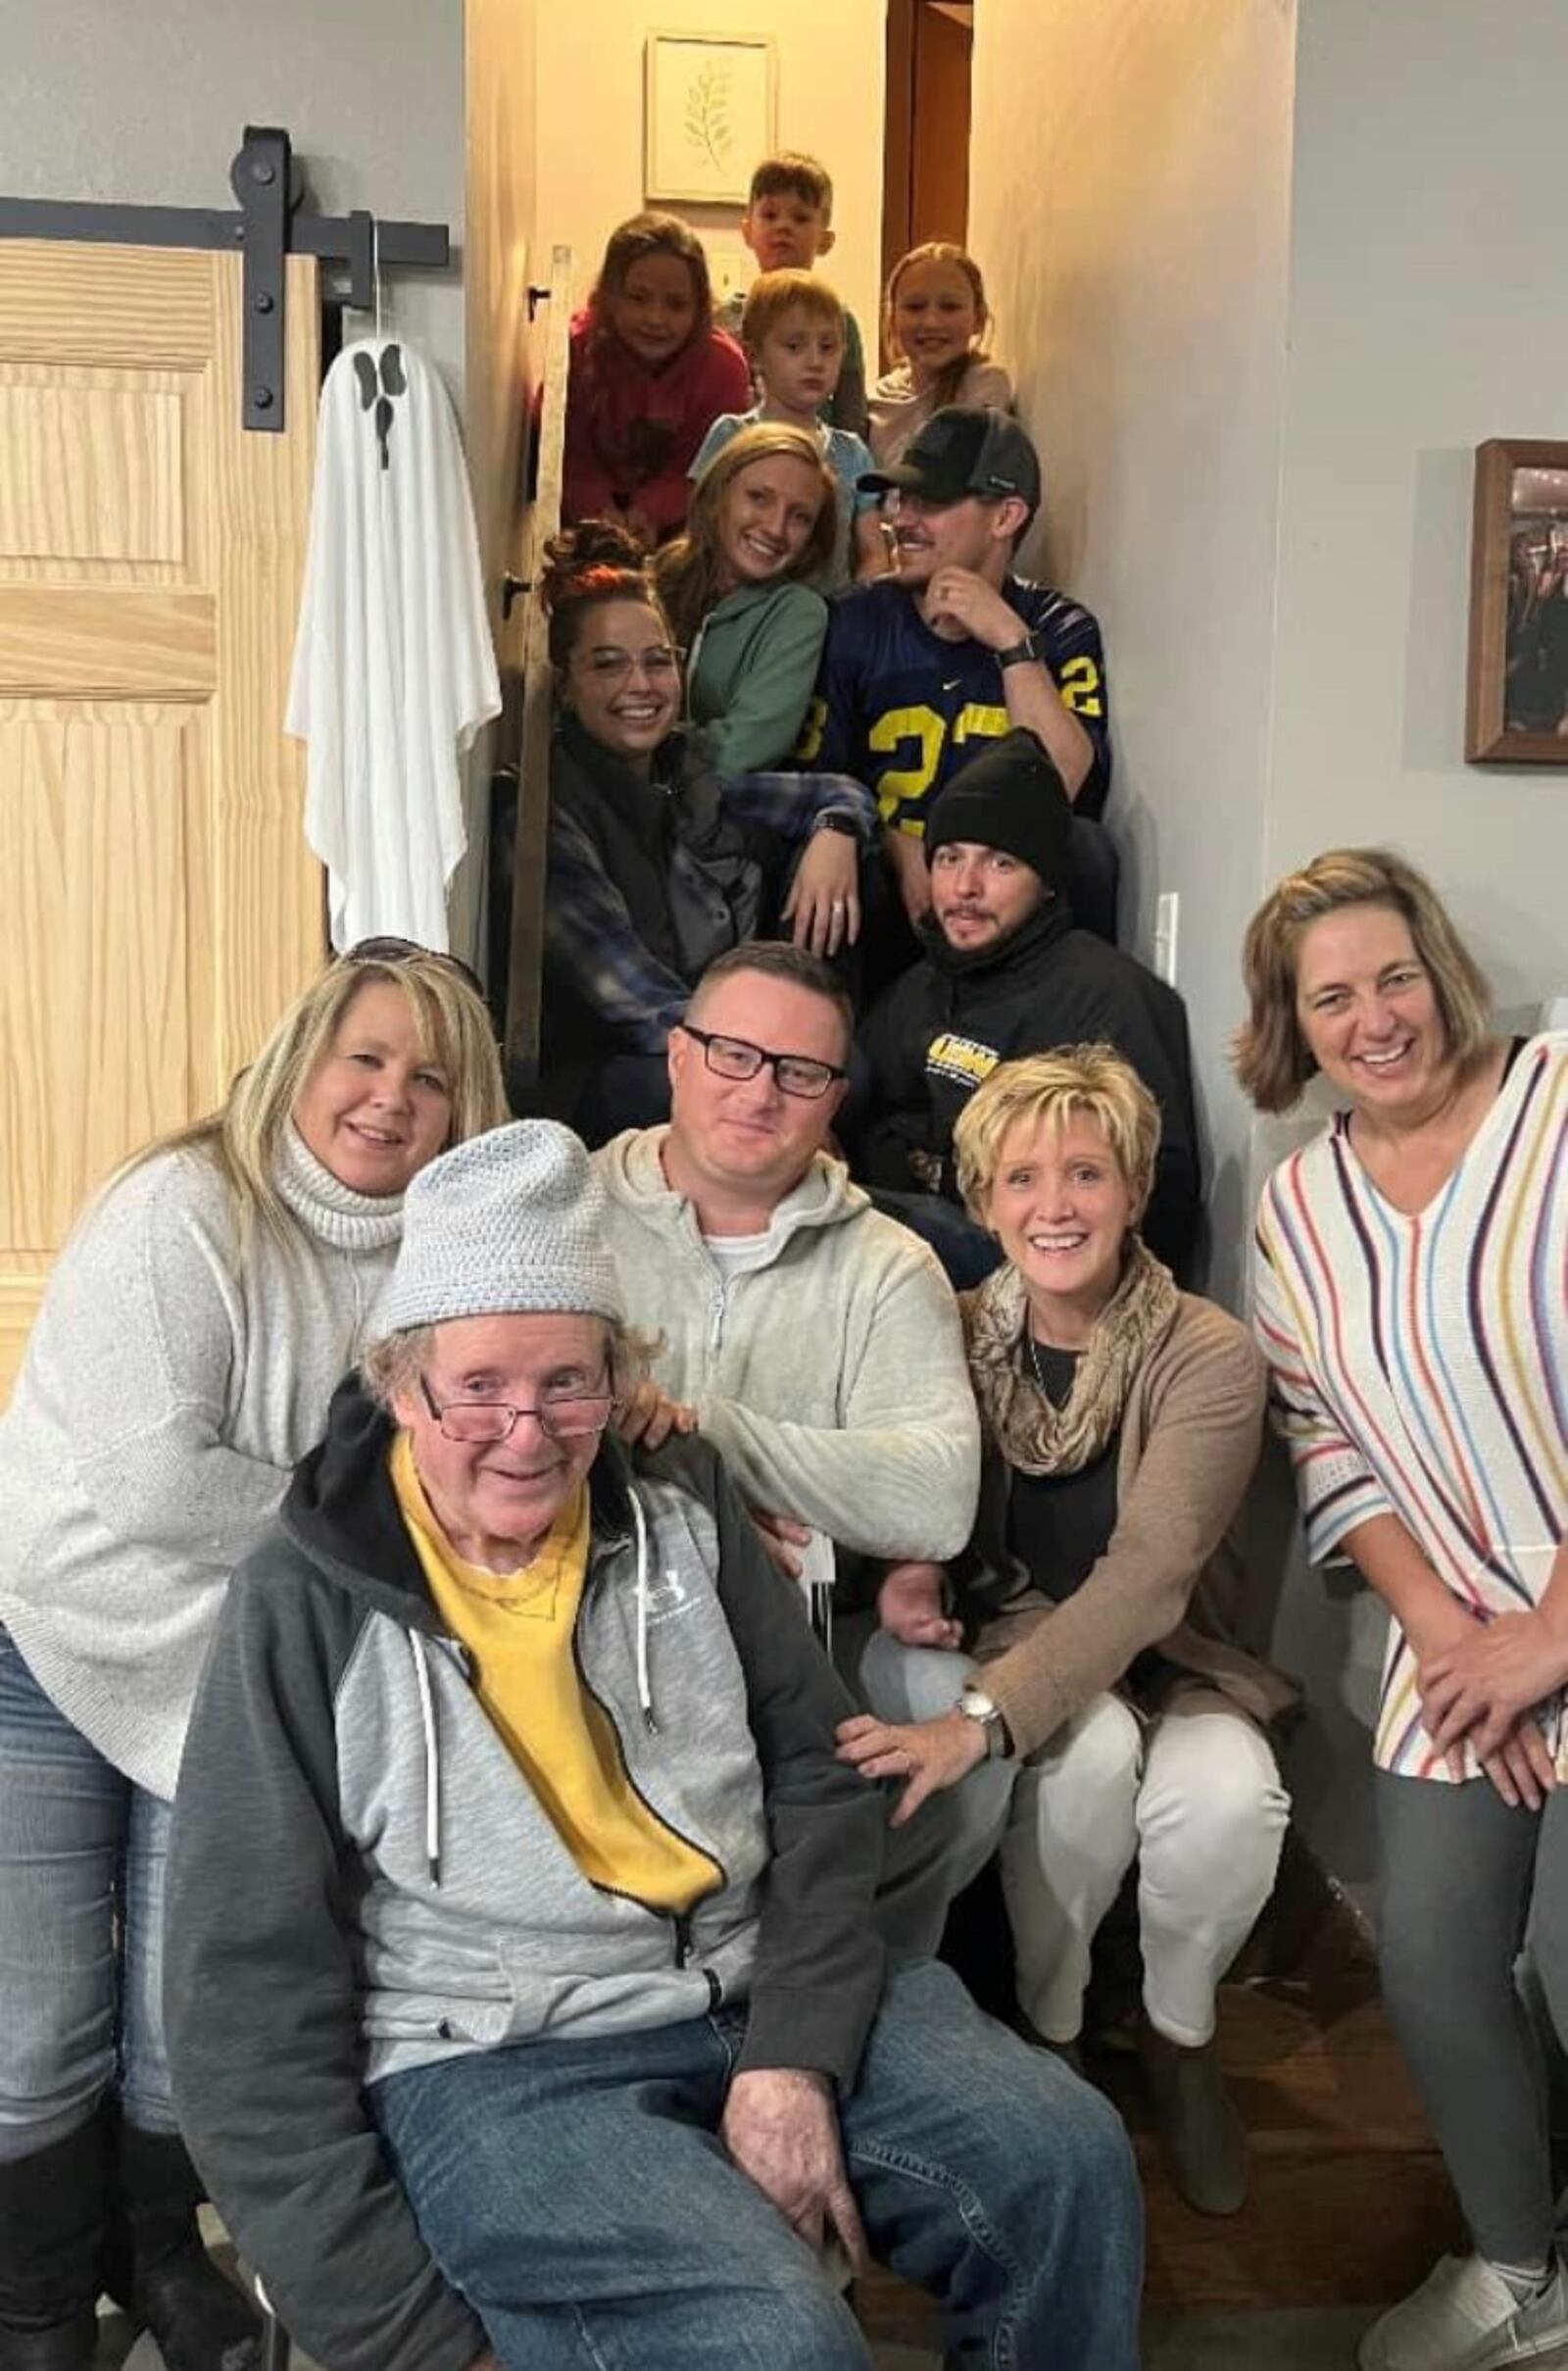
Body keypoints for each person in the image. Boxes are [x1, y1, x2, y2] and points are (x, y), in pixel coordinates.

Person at [163, 1120, 1144, 2371]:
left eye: (569, 1382)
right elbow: (239, 1992)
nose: (528, 1430)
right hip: (501, 2057)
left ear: (617, 1380)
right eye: (478, 1387)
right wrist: (395, 2337)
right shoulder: (303, 1599)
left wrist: (791, 2054)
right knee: (776, 2342)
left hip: (749, 1969)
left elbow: (817, 1772)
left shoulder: (679, 1501)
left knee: (1063, 2160)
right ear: (401, 1388)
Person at [0, 945, 508, 2371]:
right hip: (46, 1640)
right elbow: (160, 1484)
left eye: (429, 1075)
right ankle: (36, 2301)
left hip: (231, 1672)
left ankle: (156, 2250)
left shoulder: (446, 1263)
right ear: (301, 1055)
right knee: (35, 2027)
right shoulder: (178, 1205)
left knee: (189, 2021)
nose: (389, 1097)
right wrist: (383, 1514)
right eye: (365, 1056)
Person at [838, 1047, 1295, 2217]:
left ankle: (1182, 2036)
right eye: (1022, 1177)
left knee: (1231, 1795)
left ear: (1133, 1190)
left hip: (1174, 1652)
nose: (1055, 1207)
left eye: (1086, 1173)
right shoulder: (943, 1327)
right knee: (1084, 1763)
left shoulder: (1205, 1350)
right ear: (982, 1199)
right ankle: (1053, 2025)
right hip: (1029, 1645)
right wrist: (907, 1567)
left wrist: (981, 1719)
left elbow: (1151, 1579)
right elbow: (903, 1484)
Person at [1239, 847, 1568, 2371]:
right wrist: (1450, 1636)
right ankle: (1524, 2269)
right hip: (1453, 1641)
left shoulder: (1559, 1106)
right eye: (1331, 998)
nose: (1375, 1017)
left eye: (1393, 975)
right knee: (1436, 1959)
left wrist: (1550, 1636)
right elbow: (1327, 1439)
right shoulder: (1298, 1207)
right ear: (1290, 1030)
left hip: (1560, 1622)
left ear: (1439, 965)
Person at [593, 939, 1011, 1954]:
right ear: (680, 1056)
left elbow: (936, 1497)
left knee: (972, 1733)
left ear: (833, 1099)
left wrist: (705, 1434)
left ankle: (882, 1977)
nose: (760, 1092)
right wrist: (707, 1500)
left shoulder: (887, 1265)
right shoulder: (567, 1215)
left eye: (799, 1072)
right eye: (734, 1054)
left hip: (816, 1643)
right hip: (594, 1622)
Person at [538, 523, 877, 1141]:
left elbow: (835, 791)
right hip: (623, 1067)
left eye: (657, 661)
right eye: (608, 665)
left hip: (717, 1033)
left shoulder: (682, 768)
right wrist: (766, 1061)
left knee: (845, 1069)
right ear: (566, 685)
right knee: (815, 1083)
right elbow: (631, 999)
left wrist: (836, 830)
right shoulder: (547, 810)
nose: (640, 686)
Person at [857, 728, 1200, 1285]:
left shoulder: (1109, 997)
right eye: (948, 858)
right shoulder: (915, 989)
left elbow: (1158, 1201)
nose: (964, 886)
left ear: (1046, 884)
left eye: (1000, 864)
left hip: (1044, 1279)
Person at [800, 403, 1116, 955]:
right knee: (823, 855)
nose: (899, 520)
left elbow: (1063, 785)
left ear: (1005, 517)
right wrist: (902, 848)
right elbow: (818, 780)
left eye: (933, 502)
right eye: (900, 499)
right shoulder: (853, 620)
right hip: (885, 885)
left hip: (1003, 891)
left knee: (1089, 853)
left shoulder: (1061, 630)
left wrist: (1012, 643)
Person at [655, 421, 838, 775]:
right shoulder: (663, 574)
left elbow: (742, 750)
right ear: (718, 495)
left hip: (721, 818)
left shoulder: (797, 612)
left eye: (800, 517)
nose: (775, 528)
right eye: (759, 498)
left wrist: (633, 749)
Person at [560, 212, 750, 541]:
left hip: (686, 534)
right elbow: (566, 453)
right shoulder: (576, 350)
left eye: (676, 305)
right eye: (638, 298)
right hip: (583, 530)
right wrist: (599, 513)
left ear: (700, 307)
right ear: (611, 295)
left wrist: (651, 511)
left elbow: (707, 465)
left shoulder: (723, 368)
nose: (656, 318)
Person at [692, 271, 885, 586]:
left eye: (828, 347)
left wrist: (854, 612)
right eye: (795, 347)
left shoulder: (851, 453)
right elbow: (699, 535)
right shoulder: (730, 436)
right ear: (755, 356)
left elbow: (873, 554)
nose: (815, 362)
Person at [716, 149, 869, 438]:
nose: (783, 226)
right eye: (770, 215)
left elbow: (852, 415)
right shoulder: (725, 319)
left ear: (825, 240)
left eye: (800, 218)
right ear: (747, 231)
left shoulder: (839, 318)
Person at [867, 243, 1012, 470]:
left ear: (979, 318)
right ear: (892, 318)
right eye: (915, 307)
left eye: (950, 307)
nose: (931, 322)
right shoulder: (876, 398)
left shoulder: (985, 385)